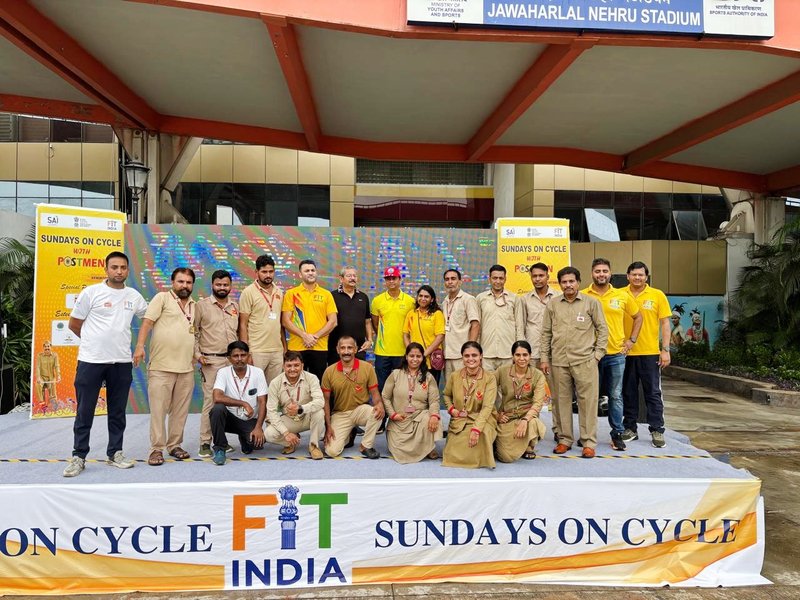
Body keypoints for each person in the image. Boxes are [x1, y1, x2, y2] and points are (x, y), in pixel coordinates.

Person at [63, 251, 148, 478]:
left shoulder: (134, 296)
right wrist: (93, 342)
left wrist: (139, 345)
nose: (119, 271)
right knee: (85, 411)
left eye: (123, 267)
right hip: (91, 361)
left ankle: (115, 453)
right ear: (106, 269)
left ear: (128, 270)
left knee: (117, 411)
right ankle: (79, 456)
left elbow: (148, 317)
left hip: (121, 362)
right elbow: (74, 324)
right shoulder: (91, 293)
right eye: (114, 267)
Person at [540, 266, 608, 459]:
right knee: (561, 402)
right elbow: (545, 333)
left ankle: (588, 442)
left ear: (578, 282)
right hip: (559, 362)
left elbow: (602, 330)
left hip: (585, 361)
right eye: (564, 282)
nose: (568, 285)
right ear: (559, 284)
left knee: (588, 402)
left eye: (571, 281)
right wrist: (545, 358)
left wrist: (597, 355)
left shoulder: (591, 303)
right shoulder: (553, 304)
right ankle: (564, 440)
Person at [133, 267, 197, 467]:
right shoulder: (161, 298)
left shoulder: (195, 305)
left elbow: (192, 333)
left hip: (186, 368)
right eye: (180, 281)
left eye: (188, 282)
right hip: (161, 367)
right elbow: (147, 323)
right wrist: (140, 346)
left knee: (180, 411)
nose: (184, 286)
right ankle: (156, 449)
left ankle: (175, 445)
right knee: (159, 411)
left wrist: (198, 355)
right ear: (172, 282)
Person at [583, 259, 642, 451]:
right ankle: (587, 436)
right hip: (590, 355)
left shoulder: (622, 295)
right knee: (590, 397)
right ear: (592, 273)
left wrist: (631, 340)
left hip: (616, 354)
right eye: (598, 271)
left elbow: (638, 316)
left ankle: (617, 433)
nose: (601, 274)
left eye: (605, 271)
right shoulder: (583, 295)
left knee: (616, 396)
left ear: (610, 273)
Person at [621, 261, 671, 448]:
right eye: (634, 274)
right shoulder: (620, 295)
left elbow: (665, 323)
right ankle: (630, 428)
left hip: (650, 353)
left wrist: (665, 350)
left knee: (653, 393)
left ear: (646, 277)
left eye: (641, 275)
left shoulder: (657, 295)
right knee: (628, 392)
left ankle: (657, 429)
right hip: (625, 353)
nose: (637, 277)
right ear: (628, 276)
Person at [194, 269, 239, 458]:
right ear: (212, 285)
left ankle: (221, 440)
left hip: (232, 362)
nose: (222, 288)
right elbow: (193, 332)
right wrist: (197, 354)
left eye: (225, 285)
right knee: (211, 402)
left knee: (227, 403)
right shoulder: (201, 306)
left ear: (230, 286)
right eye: (219, 285)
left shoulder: (234, 306)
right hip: (211, 361)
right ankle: (205, 442)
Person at [515, 262, 560, 440]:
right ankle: (533, 429)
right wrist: (521, 353)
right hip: (531, 354)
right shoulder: (524, 299)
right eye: (534, 276)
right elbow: (520, 327)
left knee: (557, 394)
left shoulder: (558, 297)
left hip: (553, 353)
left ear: (548, 276)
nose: (538, 279)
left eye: (541, 275)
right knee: (529, 395)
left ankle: (558, 429)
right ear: (531, 277)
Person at [321, 336, 384, 458]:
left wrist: (379, 405)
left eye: (350, 348)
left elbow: (375, 393)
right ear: (337, 350)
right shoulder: (329, 371)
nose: (346, 351)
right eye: (343, 348)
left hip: (360, 410)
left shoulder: (367, 368)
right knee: (332, 451)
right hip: (340, 414)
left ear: (355, 349)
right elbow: (326, 401)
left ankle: (366, 446)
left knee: (377, 412)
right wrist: (328, 427)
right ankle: (348, 434)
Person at [208, 341, 268, 466]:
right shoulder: (223, 372)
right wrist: (243, 403)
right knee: (217, 409)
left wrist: (258, 428)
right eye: (235, 356)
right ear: (229, 358)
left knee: (256, 445)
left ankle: (245, 439)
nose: (240, 359)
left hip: (249, 419)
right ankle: (220, 449)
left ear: (249, 356)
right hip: (229, 419)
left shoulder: (258, 372)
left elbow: (262, 402)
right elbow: (217, 397)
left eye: (243, 355)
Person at [382, 342, 443, 463]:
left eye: (418, 356)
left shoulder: (428, 377)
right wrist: (393, 414)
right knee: (399, 452)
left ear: (422, 358)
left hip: (419, 418)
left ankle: (428, 447)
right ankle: (422, 447)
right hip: (400, 421)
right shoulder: (395, 374)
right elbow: (385, 397)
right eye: (411, 356)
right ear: (406, 357)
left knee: (431, 417)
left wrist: (434, 416)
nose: (415, 359)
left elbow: (434, 400)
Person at [442, 341, 498, 469]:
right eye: (467, 356)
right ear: (462, 358)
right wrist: (451, 409)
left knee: (482, 434)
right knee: (452, 453)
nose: (471, 359)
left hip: (482, 418)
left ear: (481, 357)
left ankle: (486, 454)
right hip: (460, 419)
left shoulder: (489, 378)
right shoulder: (455, 376)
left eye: (474, 355)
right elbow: (446, 395)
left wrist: (476, 429)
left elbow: (487, 407)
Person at [281, 259, 338, 381]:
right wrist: (304, 336)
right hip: (297, 347)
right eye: (307, 271)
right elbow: (286, 321)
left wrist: (315, 337)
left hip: (319, 347)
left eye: (313, 270)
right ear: (300, 275)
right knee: (294, 382)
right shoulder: (291, 294)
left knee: (317, 383)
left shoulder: (326, 294)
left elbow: (333, 321)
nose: (311, 273)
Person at [265, 351, 325, 460]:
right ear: (283, 366)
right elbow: (271, 412)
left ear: (302, 365)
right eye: (289, 366)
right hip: (289, 418)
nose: (292, 369)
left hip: (307, 416)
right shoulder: (275, 383)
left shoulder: (311, 378)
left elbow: (320, 401)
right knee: (269, 434)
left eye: (296, 365)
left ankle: (314, 445)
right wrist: (286, 433)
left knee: (319, 412)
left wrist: (301, 408)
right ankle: (290, 443)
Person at [494, 340, 547, 462]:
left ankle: (529, 445)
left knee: (535, 423)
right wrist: (496, 415)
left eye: (525, 355)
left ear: (530, 356)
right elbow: (487, 391)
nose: (521, 358)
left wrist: (525, 420)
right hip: (507, 418)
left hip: (527, 418)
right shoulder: (502, 371)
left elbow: (538, 403)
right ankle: (515, 444)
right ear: (512, 356)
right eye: (518, 355)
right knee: (505, 457)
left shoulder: (538, 375)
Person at [238, 255, 285, 383]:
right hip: (257, 351)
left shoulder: (279, 292)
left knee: (273, 391)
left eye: (271, 271)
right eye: (264, 272)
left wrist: (284, 349)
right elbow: (243, 324)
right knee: (254, 390)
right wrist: (246, 352)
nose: (268, 275)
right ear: (256, 272)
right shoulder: (248, 292)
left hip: (276, 350)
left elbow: (280, 323)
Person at [371, 266, 414, 391]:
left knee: (401, 388)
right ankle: (383, 411)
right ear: (385, 281)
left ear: (400, 279)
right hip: (382, 352)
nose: (391, 281)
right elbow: (375, 324)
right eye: (388, 279)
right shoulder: (377, 301)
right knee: (382, 387)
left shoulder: (410, 301)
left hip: (402, 351)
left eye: (394, 278)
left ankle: (398, 411)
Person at [476, 264, 524, 371]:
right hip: (487, 353)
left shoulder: (514, 298)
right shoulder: (480, 298)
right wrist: (477, 352)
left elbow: (519, 326)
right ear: (489, 279)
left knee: (507, 387)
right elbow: (477, 327)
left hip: (508, 353)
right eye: (495, 278)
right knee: (488, 386)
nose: (498, 281)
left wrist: (519, 352)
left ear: (505, 279)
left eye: (501, 278)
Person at [328, 266, 373, 364]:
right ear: (341, 279)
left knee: (359, 377)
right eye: (349, 276)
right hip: (337, 349)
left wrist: (369, 340)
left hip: (359, 348)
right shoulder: (331, 296)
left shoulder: (363, 297)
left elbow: (367, 321)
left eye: (354, 276)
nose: (352, 278)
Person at [441, 269, 480, 381]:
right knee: (450, 389)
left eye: (453, 279)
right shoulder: (444, 302)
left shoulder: (468, 299)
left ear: (460, 281)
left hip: (462, 355)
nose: (450, 282)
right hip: (447, 355)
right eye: (447, 279)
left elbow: (475, 324)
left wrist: (470, 351)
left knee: (465, 389)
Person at [402, 285, 446, 383]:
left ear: (432, 299)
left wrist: (424, 354)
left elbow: (440, 337)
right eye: (420, 296)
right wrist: (412, 354)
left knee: (431, 392)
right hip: (415, 361)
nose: (423, 299)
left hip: (431, 361)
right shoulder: (411, 313)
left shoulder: (437, 314)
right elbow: (405, 334)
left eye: (426, 296)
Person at [35, 341, 61, 413]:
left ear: (50, 347)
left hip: (51, 377)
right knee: (38, 385)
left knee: (52, 394)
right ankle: (42, 404)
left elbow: (56, 366)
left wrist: (58, 375)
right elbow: (38, 367)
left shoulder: (55, 355)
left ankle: (54, 409)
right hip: (42, 377)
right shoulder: (39, 356)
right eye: (45, 347)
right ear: (43, 348)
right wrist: (38, 378)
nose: (47, 348)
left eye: (48, 346)